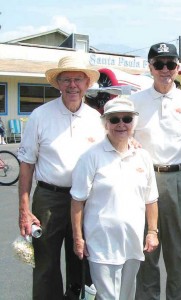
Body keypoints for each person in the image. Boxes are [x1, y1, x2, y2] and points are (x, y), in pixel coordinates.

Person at [18, 55, 105, 300]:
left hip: (86, 199)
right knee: (45, 266)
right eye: (66, 79)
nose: (72, 85)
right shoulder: (40, 115)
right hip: (48, 198)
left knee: (83, 260)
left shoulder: (96, 120)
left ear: (87, 83)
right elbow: (26, 164)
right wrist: (24, 209)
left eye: (78, 79)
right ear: (57, 84)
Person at [70, 97, 159, 300]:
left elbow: (151, 199)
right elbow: (77, 201)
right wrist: (78, 239)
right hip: (101, 245)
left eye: (126, 119)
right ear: (105, 124)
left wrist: (152, 232)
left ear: (133, 123)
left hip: (132, 243)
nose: (121, 124)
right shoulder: (90, 157)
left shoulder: (143, 157)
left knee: (127, 296)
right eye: (114, 119)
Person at [130, 42, 181, 300]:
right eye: (159, 64)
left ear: (178, 68)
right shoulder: (134, 101)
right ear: (150, 67)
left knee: (179, 253)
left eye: (170, 64)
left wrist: (178, 168)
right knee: (146, 252)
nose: (165, 69)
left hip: (179, 179)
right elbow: (121, 136)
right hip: (144, 181)